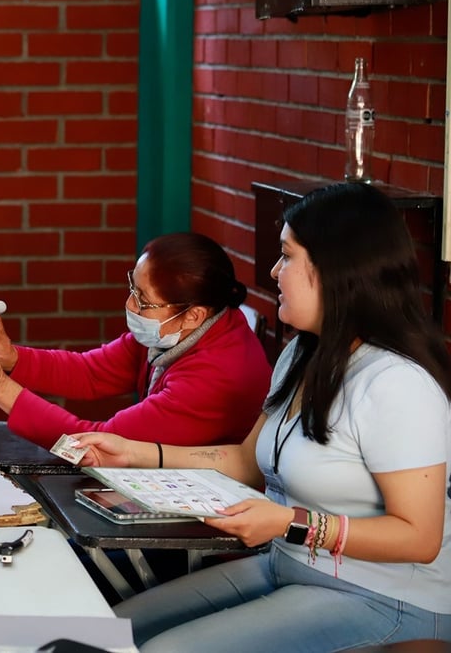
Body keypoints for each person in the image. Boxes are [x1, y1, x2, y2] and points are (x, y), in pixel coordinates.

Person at [72, 182, 451, 651]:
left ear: (337, 271)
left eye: (287, 256)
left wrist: (287, 522)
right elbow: (245, 461)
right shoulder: (300, 355)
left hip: (385, 596)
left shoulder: (397, 383)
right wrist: (138, 453)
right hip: (286, 564)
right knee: (105, 631)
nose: (273, 272)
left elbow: (419, 538)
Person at [0, 232, 272, 450]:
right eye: (133, 287)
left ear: (194, 315)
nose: (131, 306)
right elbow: (90, 372)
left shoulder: (215, 378)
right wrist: (8, 357)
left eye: (143, 300)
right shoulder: (175, 331)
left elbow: (102, 446)